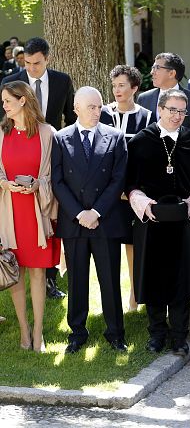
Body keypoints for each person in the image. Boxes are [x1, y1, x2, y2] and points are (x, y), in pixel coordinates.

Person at [126, 89, 190, 356]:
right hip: (152, 222)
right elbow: (131, 185)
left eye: (182, 111)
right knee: (154, 279)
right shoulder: (142, 141)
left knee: (182, 281)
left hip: (182, 222)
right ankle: (157, 334)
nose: (177, 116)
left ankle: (179, 336)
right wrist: (145, 205)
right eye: (172, 110)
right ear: (160, 109)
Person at [51, 86, 128, 354]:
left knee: (109, 280)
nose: (98, 111)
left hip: (104, 221)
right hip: (74, 223)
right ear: (76, 110)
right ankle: (77, 333)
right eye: (91, 107)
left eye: (99, 106)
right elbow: (57, 181)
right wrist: (79, 213)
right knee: (77, 281)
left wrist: (95, 212)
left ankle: (116, 333)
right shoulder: (60, 139)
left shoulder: (115, 137)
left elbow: (118, 179)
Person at [1, 37, 75, 300]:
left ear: (47, 59)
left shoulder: (63, 81)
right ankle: (17, 277)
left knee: (50, 216)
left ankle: (49, 281)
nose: (31, 68)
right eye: (28, 63)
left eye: (37, 63)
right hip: (21, 151)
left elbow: (71, 118)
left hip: (50, 153)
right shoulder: (11, 81)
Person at [0, 81, 59, 352]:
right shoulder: (1, 133)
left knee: (37, 271)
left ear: (23, 100)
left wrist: (38, 185)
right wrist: (4, 183)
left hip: (37, 213)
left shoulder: (47, 133)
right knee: (15, 269)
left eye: (8, 101)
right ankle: (24, 332)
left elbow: (52, 175)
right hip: (9, 211)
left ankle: (39, 334)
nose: (4, 106)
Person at [99, 65, 152, 313]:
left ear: (134, 88)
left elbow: (147, 157)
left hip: (134, 193)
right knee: (109, 246)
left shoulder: (147, 116)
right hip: (108, 192)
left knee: (133, 244)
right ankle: (111, 301)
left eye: (122, 85)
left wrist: (133, 190)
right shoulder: (103, 114)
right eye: (114, 85)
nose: (117, 90)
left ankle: (135, 296)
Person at [136, 53, 190, 133]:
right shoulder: (144, 98)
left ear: (171, 73)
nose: (152, 72)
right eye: (153, 67)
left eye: (157, 68)